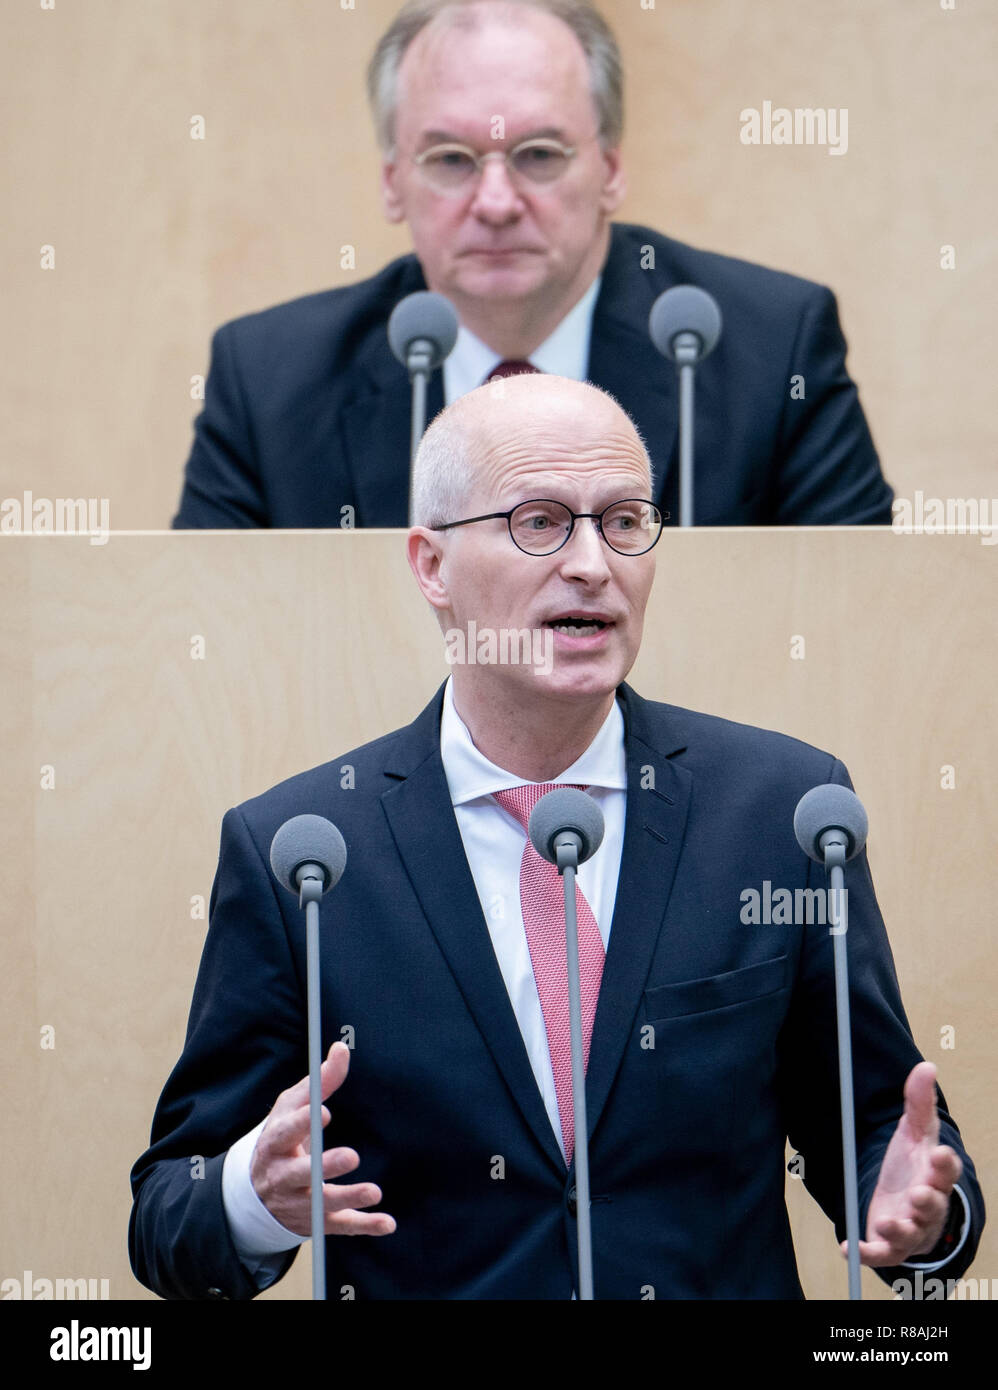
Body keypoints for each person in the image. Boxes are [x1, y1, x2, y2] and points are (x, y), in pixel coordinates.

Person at [133, 375, 981, 1299]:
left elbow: (870, 1123)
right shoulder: (302, 853)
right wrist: (253, 1198)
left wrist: (922, 1220)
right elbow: (168, 1217)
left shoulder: (784, 813)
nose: (591, 564)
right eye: (539, 521)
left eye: (622, 521)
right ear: (431, 565)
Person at [171, 0, 893, 530]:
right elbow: (203, 642)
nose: (495, 201)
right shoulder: (269, 381)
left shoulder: (769, 350)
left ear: (610, 168)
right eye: (450, 159)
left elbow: (851, 614)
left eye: (538, 155)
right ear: (393, 181)